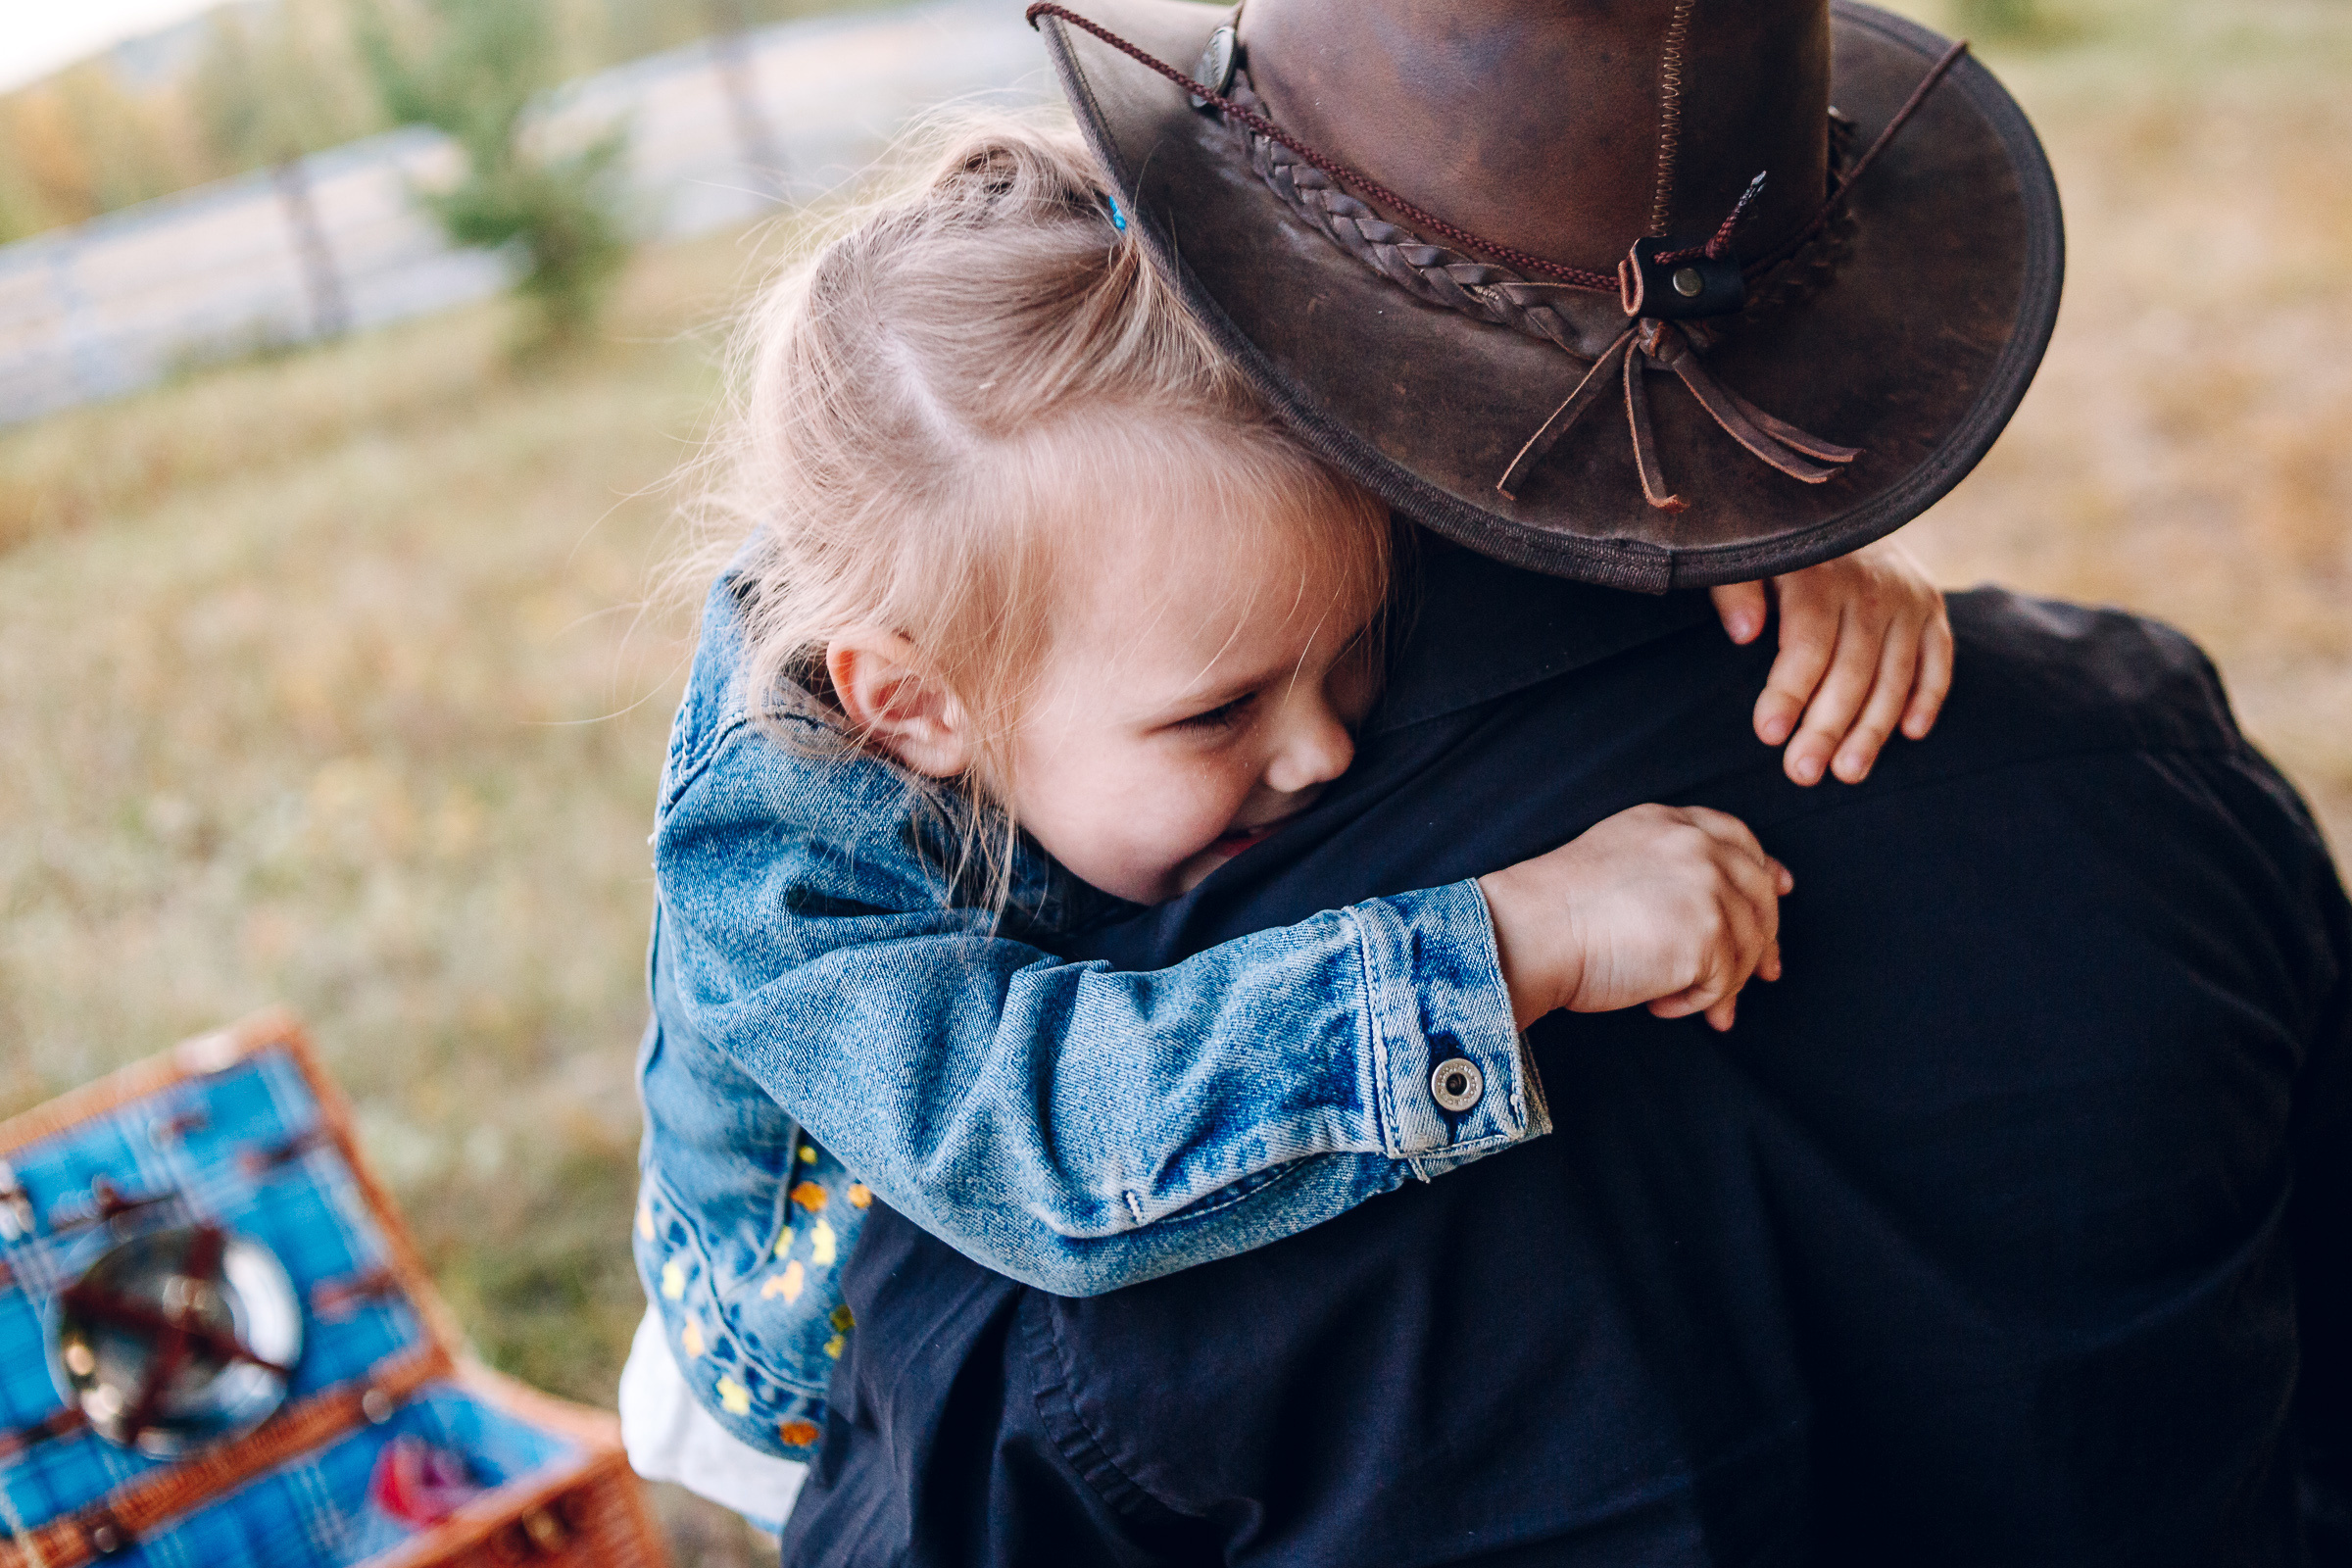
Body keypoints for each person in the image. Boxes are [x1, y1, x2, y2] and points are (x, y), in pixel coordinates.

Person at [774, 0, 2352, 1562]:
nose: (1308, 751)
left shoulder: (1087, 1187)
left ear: (1242, 284)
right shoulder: (2155, 759)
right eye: (1218, 710)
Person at [620, 120, 1957, 1532]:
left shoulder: (1148, 562)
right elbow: (1048, 1142)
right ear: (914, 709)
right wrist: (1516, 942)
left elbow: (1513, 460)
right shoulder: (775, 874)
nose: (1320, 749)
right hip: (832, 1341)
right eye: (1221, 712)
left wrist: (1784, 553)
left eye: (1354, 644)